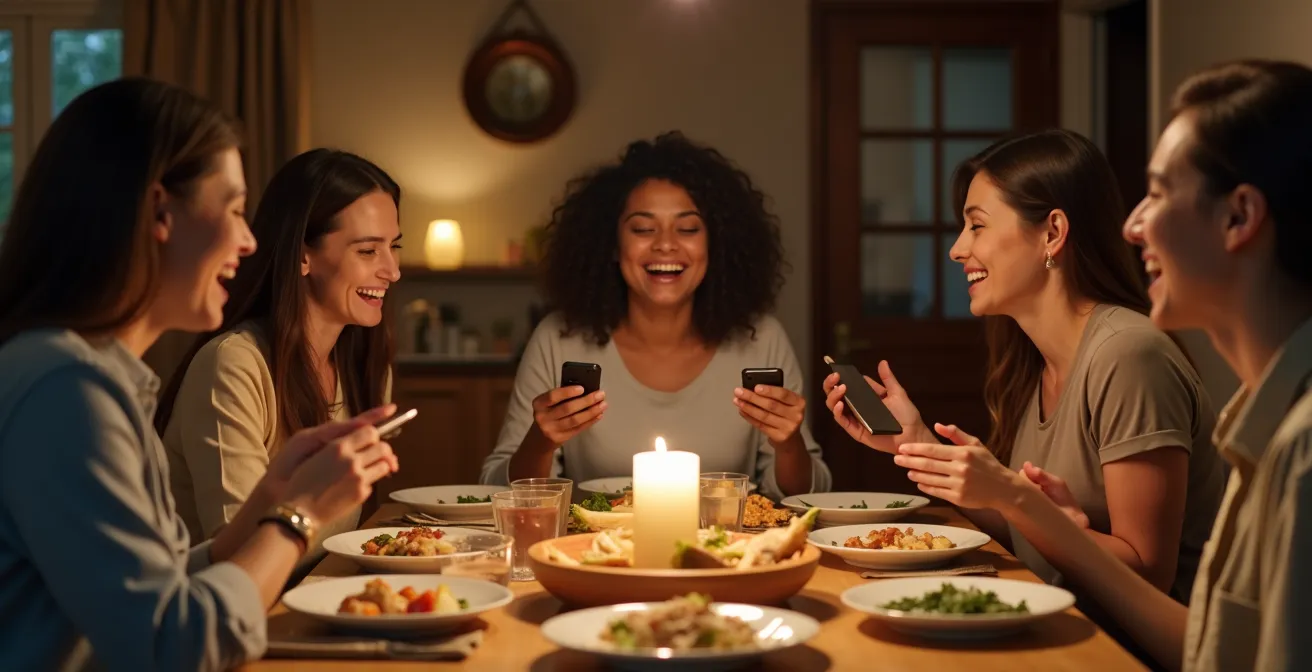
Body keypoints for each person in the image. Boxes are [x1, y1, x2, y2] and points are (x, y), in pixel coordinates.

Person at [895, 60, 1312, 671]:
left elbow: (1162, 592)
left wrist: (1026, 507)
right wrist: (928, 454)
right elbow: (1212, 650)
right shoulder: (1260, 420)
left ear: (1238, 218)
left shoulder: (1289, 441)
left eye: (1161, 193)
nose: (1133, 225)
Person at [0, 78, 399, 671]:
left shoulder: (93, 376)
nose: (248, 239)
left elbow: (153, 590)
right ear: (160, 212)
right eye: (235, 210)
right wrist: (297, 516)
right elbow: (175, 644)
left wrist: (272, 500)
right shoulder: (68, 391)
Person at [824, 129, 1225, 604]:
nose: (956, 249)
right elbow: (1029, 533)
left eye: (977, 226)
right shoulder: (1034, 362)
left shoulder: (1128, 355)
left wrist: (1014, 497)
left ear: (1052, 233)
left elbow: (1147, 577)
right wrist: (919, 445)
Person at [481, 132, 831, 498]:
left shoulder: (762, 338)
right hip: (591, 552)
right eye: (644, 229)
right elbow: (494, 486)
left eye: (688, 228)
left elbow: (812, 490)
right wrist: (540, 442)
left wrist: (789, 444)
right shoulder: (558, 338)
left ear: (716, 245)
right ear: (613, 245)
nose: (665, 243)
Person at [155, 148, 400, 572]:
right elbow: (242, 560)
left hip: (318, 596)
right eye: (367, 251)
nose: (392, 270)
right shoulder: (233, 366)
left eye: (393, 247)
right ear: (302, 253)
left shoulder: (365, 366)